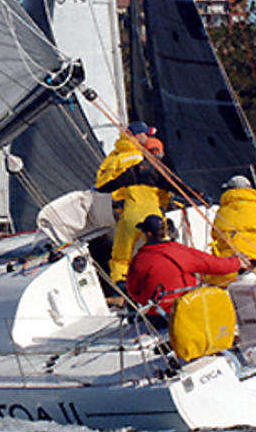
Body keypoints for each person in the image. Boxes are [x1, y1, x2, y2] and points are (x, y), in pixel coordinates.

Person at [126, 214, 248, 322]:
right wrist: (237, 262)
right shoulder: (180, 251)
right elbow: (213, 264)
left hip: (156, 318)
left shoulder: (139, 260)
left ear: (148, 234)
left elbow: (132, 290)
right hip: (185, 311)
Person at [95, 127, 178, 285]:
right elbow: (174, 188)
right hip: (149, 215)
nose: (146, 138)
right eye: (145, 134)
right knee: (159, 251)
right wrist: (199, 196)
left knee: (121, 257)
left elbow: (106, 185)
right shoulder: (142, 161)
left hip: (122, 214)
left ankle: (121, 285)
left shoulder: (116, 158)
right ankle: (162, 281)